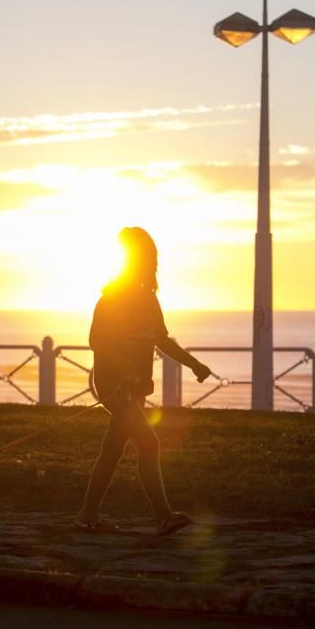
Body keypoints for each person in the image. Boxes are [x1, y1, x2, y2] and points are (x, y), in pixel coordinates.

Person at [75, 227, 212, 536]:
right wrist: (121, 364)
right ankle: (164, 516)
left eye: (154, 258)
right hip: (114, 386)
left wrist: (194, 364)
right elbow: (96, 340)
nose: (153, 263)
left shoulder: (149, 301)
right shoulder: (111, 298)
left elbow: (162, 340)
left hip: (135, 388)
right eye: (149, 257)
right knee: (150, 443)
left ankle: (86, 515)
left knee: (112, 451)